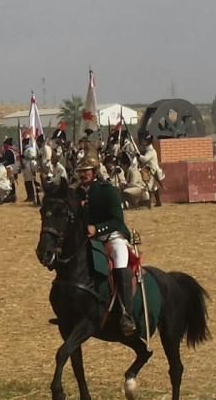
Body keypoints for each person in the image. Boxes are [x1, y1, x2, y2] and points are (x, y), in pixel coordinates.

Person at [76, 156, 137, 336]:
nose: (83, 174)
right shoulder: (78, 192)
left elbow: (117, 220)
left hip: (113, 237)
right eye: (80, 171)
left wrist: (97, 228)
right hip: (91, 240)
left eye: (86, 170)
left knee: (120, 264)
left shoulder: (107, 190)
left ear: (94, 172)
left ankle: (127, 314)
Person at [138, 135, 165, 207]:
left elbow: (145, 159)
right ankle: (158, 202)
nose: (143, 142)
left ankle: (148, 203)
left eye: (144, 140)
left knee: (148, 187)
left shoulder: (151, 151)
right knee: (154, 187)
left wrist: (139, 156)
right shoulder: (148, 150)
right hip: (151, 170)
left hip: (151, 171)